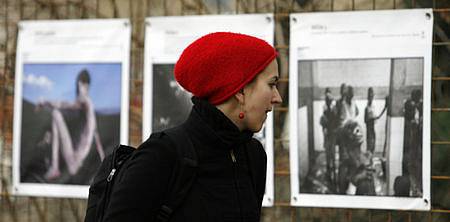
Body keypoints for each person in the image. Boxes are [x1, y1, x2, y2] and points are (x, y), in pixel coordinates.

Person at [103, 32, 282, 221]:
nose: (278, 98)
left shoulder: (254, 155)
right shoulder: (161, 156)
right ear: (240, 90)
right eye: (272, 84)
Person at [37, 69, 105, 180]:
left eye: (83, 86)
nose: (83, 89)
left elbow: (65, 105)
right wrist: (103, 160)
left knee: (55, 114)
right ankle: (54, 166)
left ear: (80, 84)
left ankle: (55, 167)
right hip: (79, 161)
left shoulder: (84, 101)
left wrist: (45, 102)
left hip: (74, 162)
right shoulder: (90, 107)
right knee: (55, 122)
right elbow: (96, 136)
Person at [319, 87, 337, 190]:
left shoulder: (333, 109)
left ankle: (332, 168)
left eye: (329, 98)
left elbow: (333, 121)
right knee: (328, 151)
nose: (328, 100)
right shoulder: (325, 109)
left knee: (332, 151)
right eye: (327, 98)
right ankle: (329, 168)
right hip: (327, 133)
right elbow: (323, 122)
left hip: (331, 133)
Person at [364, 87, 387, 155]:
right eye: (371, 95)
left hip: (371, 127)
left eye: (373, 95)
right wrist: (374, 117)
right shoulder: (368, 106)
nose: (372, 96)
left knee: (372, 143)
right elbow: (366, 119)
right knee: (370, 144)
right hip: (369, 127)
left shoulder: (372, 105)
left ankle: (370, 157)